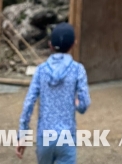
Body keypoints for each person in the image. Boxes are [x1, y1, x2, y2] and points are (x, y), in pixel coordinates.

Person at [16, 22, 90, 163]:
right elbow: (84, 104)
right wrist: (76, 103)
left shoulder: (40, 70)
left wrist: (23, 135)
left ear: (50, 45)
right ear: (73, 44)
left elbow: (28, 103)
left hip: (45, 137)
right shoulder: (78, 69)